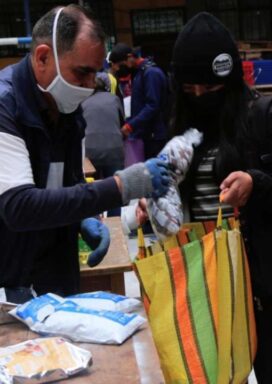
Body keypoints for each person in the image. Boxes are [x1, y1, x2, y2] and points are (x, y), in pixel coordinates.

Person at [170, 12, 272, 383]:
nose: (199, 97)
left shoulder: (267, 116)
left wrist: (256, 183)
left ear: (228, 82)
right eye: (189, 89)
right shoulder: (183, 129)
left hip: (268, 288)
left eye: (209, 89)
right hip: (207, 284)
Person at [0, 5, 171, 304]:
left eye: (96, 74)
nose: (90, 86)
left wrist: (84, 217)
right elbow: (18, 205)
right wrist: (119, 187)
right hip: (10, 276)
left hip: (54, 272)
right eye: (82, 72)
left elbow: (68, 181)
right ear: (42, 57)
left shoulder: (65, 107)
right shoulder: (5, 106)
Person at [109, 42, 170, 159]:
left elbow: (152, 106)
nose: (118, 69)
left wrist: (130, 126)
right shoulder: (138, 73)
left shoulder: (150, 73)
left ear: (129, 58)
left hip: (155, 136)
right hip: (146, 135)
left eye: (120, 65)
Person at [82, 72, 125, 216]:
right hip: (114, 149)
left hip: (90, 151)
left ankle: (94, 221)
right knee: (115, 188)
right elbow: (122, 121)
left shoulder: (83, 102)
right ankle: (115, 223)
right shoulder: (114, 99)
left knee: (90, 190)